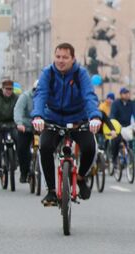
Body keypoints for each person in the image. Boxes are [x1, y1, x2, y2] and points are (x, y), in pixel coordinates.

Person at [31, 42, 102, 206]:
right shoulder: (47, 73)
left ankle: (81, 177)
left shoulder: (81, 74)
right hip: (53, 118)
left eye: (65, 57)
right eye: (58, 57)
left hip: (78, 119)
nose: (60, 60)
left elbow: (89, 96)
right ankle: (50, 191)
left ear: (73, 59)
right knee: (45, 146)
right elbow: (40, 95)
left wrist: (94, 117)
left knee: (90, 147)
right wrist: (38, 116)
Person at [14, 80, 38, 183]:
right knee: (22, 148)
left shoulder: (49, 97)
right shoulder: (25, 96)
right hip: (26, 127)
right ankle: (24, 172)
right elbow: (18, 110)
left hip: (41, 128)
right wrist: (19, 123)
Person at [109, 87, 135, 164]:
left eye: (128, 93)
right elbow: (112, 114)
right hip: (117, 126)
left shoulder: (132, 103)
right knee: (116, 141)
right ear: (121, 94)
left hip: (127, 126)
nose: (127, 95)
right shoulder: (115, 103)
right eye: (125, 93)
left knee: (132, 139)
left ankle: (131, 154)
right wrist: (113, 124)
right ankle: (114, 159)